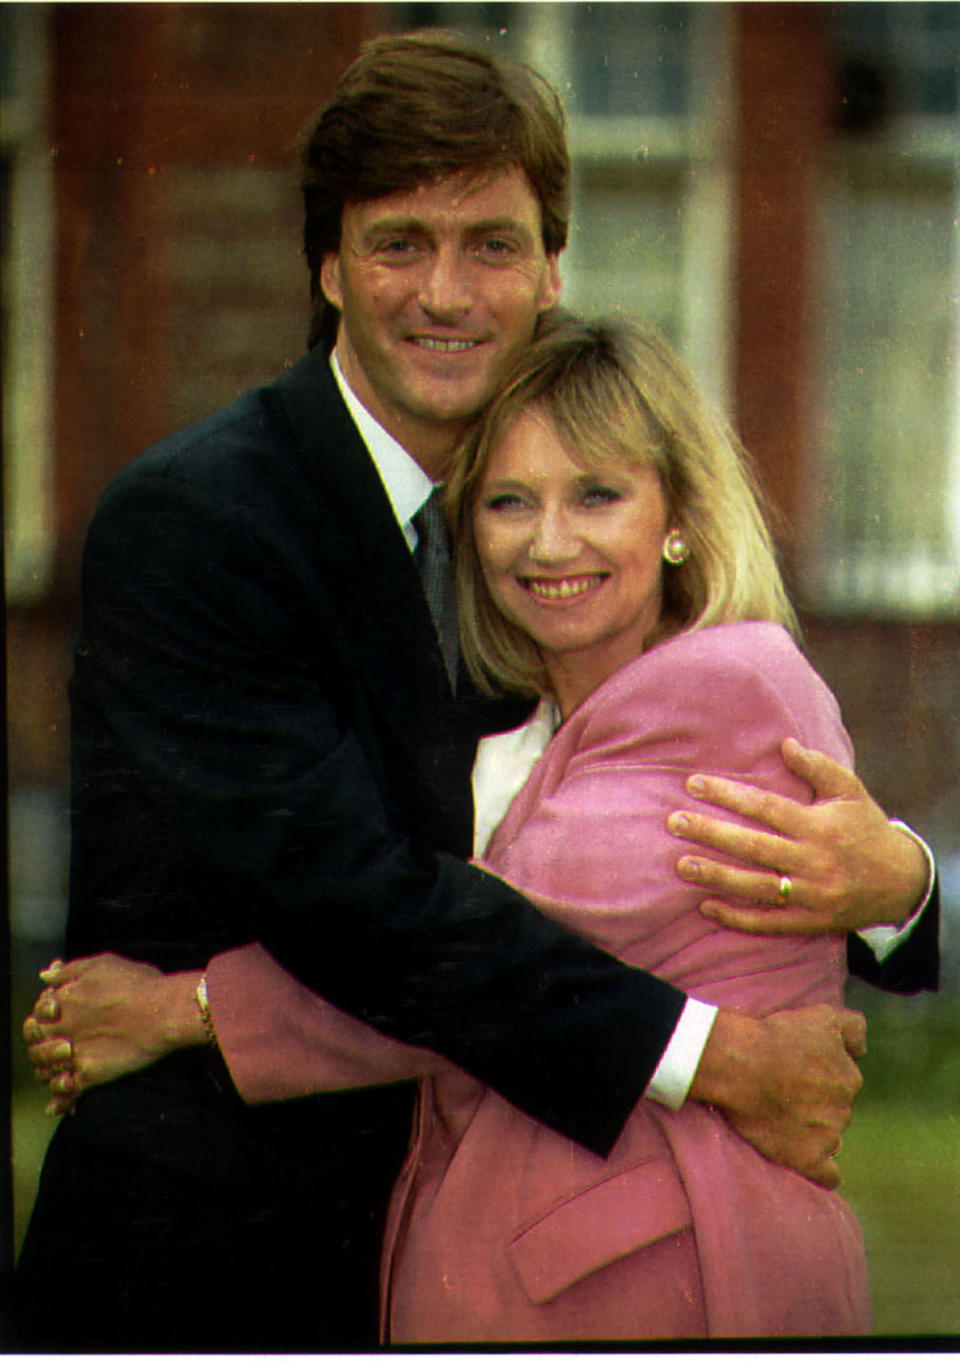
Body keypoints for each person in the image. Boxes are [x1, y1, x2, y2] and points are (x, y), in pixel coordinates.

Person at [16, 30, 937, 1353]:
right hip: (229, 1264)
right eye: (400, 242)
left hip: (516, 1258)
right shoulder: (201, 524)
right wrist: (717, 1055)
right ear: (327, 266)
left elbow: (683, 820)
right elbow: (365, 908)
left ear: (553, 264)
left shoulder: (572, 526)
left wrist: (894, 882)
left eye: (492, 243)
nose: (447, 292)